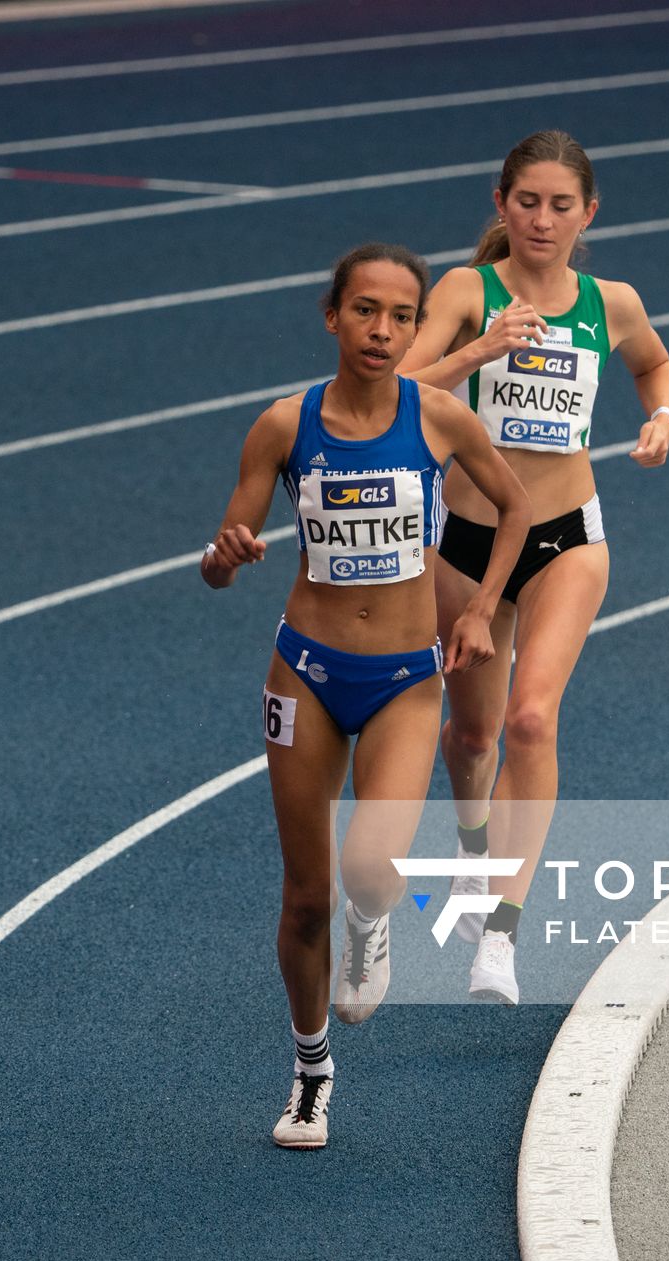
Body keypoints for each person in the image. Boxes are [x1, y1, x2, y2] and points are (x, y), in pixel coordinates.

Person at [202, 243, 530, 1149]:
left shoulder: (440, 419)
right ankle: (311, 1076)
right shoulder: (281, 426)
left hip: (403, 679)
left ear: (418, 326)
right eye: (364, 312)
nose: (381, 331)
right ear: (332, 317)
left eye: (400, 316)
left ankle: (371, 922)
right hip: (304, 672)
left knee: (369, 871)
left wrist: (483, 613)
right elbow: (220, 557)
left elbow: (517, 511)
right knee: (302, 897)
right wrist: (221, 559)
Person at [401, 130, 669, 1006]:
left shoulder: (612, 301)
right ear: (501, 204)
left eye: (562, 205)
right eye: (528, 201)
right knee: (474, 734)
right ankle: (474, 850)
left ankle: (500, 940)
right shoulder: (463, 290)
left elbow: (655, 364)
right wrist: (480, 350)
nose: (544, 219)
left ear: (588, 213)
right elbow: (397, 395)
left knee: (529, 722)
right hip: (469, 540)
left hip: (567, 534)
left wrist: (663, 417)